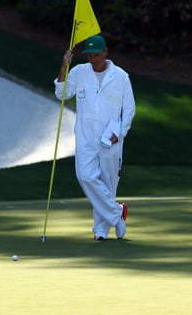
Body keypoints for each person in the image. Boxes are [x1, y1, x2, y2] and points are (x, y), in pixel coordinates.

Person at [56, 35, 136, 241]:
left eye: (96, 55)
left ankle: (101, 231)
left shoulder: (121, 77)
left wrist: (120, 132)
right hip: (85, 137)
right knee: (85, 176)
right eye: (89, 56)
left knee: (108, 183)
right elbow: (62, 94)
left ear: (106, 52)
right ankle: (117, 214)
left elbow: (129, 109)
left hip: (111, 137)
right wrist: (64, 67)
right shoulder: (79, 72)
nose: (93, 59)